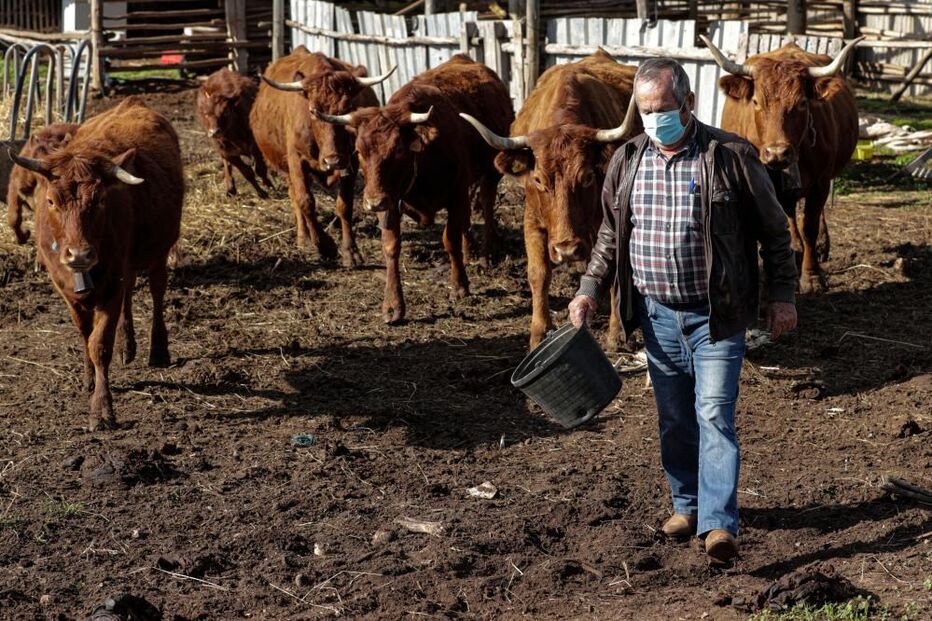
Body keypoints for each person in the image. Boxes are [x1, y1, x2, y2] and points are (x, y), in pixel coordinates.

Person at [568, 58, 798, 564]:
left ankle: (718, 525)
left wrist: (782, 295)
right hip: (655, 314)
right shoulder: (626, 161)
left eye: (663, 109)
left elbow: (774, 231)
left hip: (716, 313)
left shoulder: (730, 155)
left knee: (713, 412)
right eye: (645, 110)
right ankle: (687, 503)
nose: (654, 119)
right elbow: (610, 234)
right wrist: (588, 288)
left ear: (688, 104)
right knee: (673, 417)